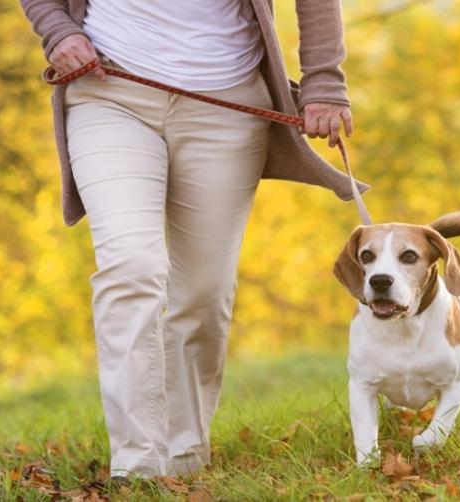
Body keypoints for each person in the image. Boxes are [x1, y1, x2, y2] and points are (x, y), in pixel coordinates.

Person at [19, 0, 368, 478]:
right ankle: (137, 463)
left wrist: (324, 82)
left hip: (227, 105)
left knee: (204, 295)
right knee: (131, 265)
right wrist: (57, 30)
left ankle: (183, 457)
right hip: (109, 91)